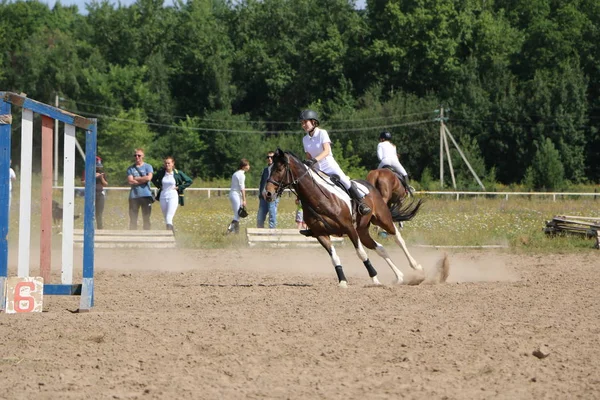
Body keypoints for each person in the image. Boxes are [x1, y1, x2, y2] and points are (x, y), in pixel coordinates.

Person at [299, 109, 371, 215]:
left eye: (305, 122)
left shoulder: (322, 133)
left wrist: (314, 160)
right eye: (302, 123)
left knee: (345, 181)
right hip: (317, 170)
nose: (303, 125)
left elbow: (327, 151)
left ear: (313, 122)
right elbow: (308, 155)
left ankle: (361, 203)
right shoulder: (305, 139)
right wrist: (308, 163)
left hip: (328, 166)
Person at [151, 156, 193, 231]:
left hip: (173, 196)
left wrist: (180, 187)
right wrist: (159, 186)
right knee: (166, 218)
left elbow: (189, 181)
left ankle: (170, 235)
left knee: (169, 217)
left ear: (173, 164)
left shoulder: (178, 173)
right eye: (166, 163)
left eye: (169, 163)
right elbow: (153, 179)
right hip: (163, 196)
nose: (167, 165)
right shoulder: (161, 173)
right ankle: (171, 235)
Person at [127, 148, 154, 230]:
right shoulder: (130, 168)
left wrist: (136, 178)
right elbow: (130, 181)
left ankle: (147, 236)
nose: (137, 157)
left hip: (146, 195)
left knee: (146, 217)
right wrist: (143, 178)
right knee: (133, 218)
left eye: (139, 155)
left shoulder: (148, 166)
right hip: (134, 196)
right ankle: (132, 236)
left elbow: (148, 178)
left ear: (143, 156)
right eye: (135, 155)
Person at [82, 156, 108, 229]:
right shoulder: (86, 171)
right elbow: (83, 182)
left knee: (99, 213)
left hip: (100, 193)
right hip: (90, 194)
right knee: (89, 212)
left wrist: (101, 177)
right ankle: (89, 228)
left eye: (98, 167)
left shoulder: (102, 173)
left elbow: (105, 184)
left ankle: (100, 228)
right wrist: (92, 177)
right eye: (96, 167)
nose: (98, 168)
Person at [257, 151, 279, 228]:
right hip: (263, 197)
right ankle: (259, 235)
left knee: (272, 217)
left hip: (272, 197)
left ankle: (272, 235)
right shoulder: (265, 170)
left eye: (271, 157)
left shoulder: (277, 170)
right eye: (268, 157)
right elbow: (262, 182)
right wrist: (260, 193)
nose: (269, 159)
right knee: (260, 218)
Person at [227, 158, 250, 234]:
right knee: (237, 215)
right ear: (243, 166)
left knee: (237, 215)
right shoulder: (241, 175)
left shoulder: (236, 173)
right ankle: (230, 231)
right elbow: (242, 188)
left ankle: (234, 231)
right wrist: (244, 200)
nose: (249, 166)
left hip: (233, 194)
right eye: (247, 165)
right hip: (236, 194)